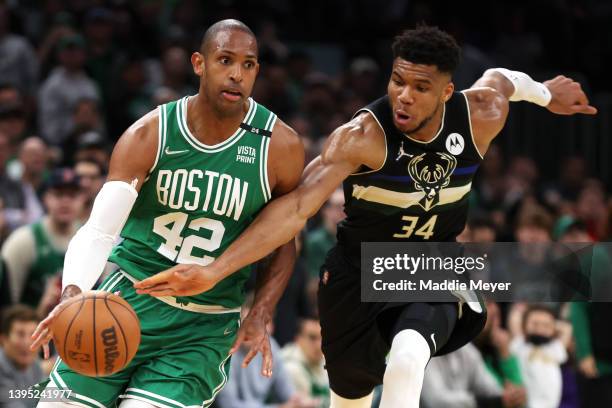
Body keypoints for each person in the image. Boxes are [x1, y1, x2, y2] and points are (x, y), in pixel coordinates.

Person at [136, 25, 596, 408]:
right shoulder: (361, 136)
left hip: (430, 265)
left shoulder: (480, 114)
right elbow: (295, 209)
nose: (404, 97)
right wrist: (216, 270)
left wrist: (543, 93)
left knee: (409, 355)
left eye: (421, 88)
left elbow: (501, 78)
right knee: (349, 396)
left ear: (447, 91)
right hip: (357, 272)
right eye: (398, 81)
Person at [30, 19, 304, 408]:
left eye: (248, 65)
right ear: (199, 63)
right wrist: (73, 290)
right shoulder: (150, 134)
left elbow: (282, 240)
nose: (236, 74)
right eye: (225, 60)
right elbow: (99, 231)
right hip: (127, 304)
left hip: (203, 327)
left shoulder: (279, 146)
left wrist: (260, 311)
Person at [1, 168, 83, 308]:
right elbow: (7, 306)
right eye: (58, 195)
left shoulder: (92, 239)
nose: (65, 202)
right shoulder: (22, 241)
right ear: (45, 198)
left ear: (82, 199)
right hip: (32, 326)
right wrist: (40, 310)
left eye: (72, 195)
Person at [510, 305, 567, 408]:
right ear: (524, 325)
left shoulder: (555, 348)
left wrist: (554, 324)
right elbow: (514, 320)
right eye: (535, 324)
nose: (540, 329)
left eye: (546, 325)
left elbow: (567, 329)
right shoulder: (521, 345)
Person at [0, 305, 45, 408]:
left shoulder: (34, 363)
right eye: (20, 334)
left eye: (33, 335)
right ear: (3, 339)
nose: (27, 342)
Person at [281, 318, 330, 407]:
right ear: (298, 339)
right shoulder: (290, 367)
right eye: (312, 338)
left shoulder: (324, 361)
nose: (319, 345)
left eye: (322, 338)